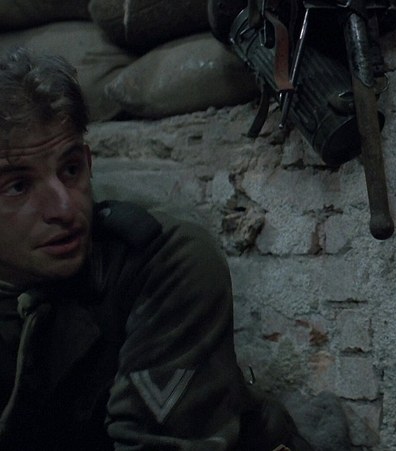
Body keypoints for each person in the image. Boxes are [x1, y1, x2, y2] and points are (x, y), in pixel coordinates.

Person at [0, 47, 310, 450]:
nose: (63, 208)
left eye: (71, 169)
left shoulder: (162, 260)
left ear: (89, 162)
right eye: (18, 186)